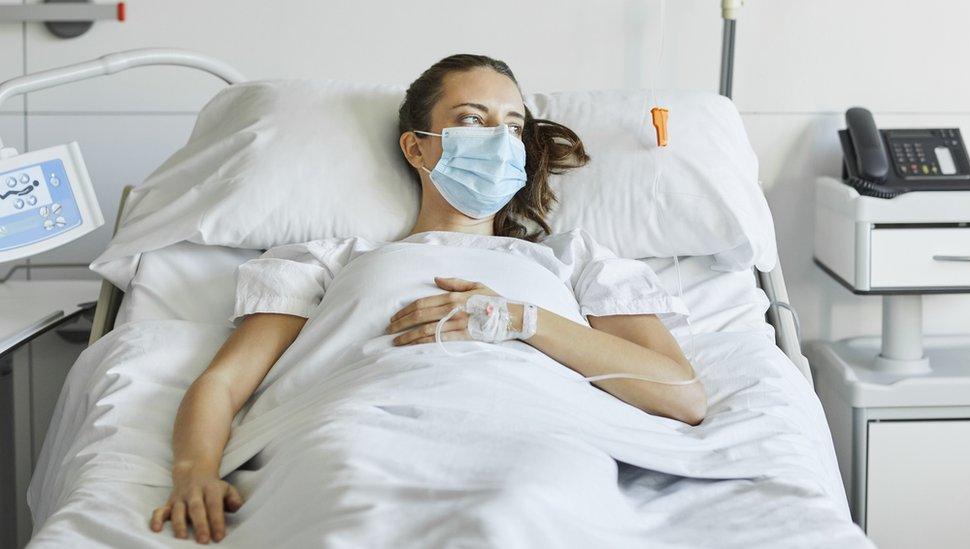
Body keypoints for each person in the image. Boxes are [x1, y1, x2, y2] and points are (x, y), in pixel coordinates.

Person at [150, 53, 706, 544]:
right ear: (417, 147)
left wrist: (518, 319)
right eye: (471, 119)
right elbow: (224, 382)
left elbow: (681, 396)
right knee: (347, 507)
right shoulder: (330, 260)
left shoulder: (572, 259)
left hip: (532, 427)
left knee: (522, 505)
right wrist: (194, 469)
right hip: (358, 425)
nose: (497, 140)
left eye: (512, 126)